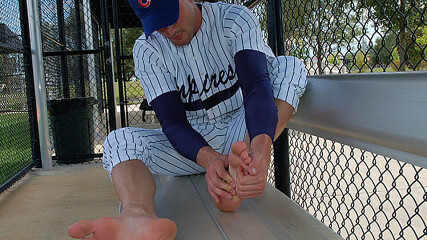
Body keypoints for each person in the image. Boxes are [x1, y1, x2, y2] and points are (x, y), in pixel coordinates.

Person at [68, 0, 307, 239]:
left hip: (242, 128)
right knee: (119, 140)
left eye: (171, 16)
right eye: (158, 25)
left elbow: (256, 88)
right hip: (192, 146)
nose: (169, 30)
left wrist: (260, 150)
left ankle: (247, 165)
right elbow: (172, 122)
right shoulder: (147, 48)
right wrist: (209, 160)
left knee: (290, 66)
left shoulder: (233, 19)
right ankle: (138, 218)